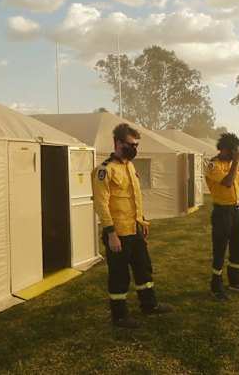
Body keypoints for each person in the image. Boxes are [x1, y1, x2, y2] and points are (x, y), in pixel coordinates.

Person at [92, 123, 172, 329]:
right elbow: (101, 204)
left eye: (136, 144)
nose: (134, 148)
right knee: (119, 276)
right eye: (131, 144)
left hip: (134, 229)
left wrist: (141, 219)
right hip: (117, 233)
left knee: (143, 269)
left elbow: (134, 197)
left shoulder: (129, 166)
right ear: (119, 143)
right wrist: (111, 233)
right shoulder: (105, 170)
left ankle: (149, 305)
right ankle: (119, 317)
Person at [204, 132, 239, 301]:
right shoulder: (213, 165)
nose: (237, 153)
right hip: (222, 212)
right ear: (226, 149)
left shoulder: (233, 164)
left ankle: (235, 281)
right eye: (235, 150)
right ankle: (216, 286)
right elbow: (227, 183)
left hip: (236, 211)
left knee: (238, 247)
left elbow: (237, 189)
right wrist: (236, 163)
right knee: (220, 249)